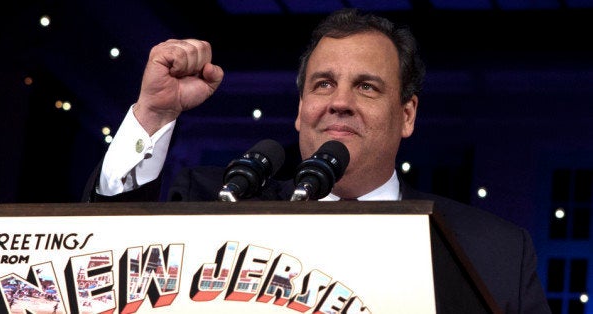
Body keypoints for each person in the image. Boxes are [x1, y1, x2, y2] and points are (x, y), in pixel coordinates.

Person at [83, 8, 551, 313]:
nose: (339, 102)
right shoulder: (217, 202)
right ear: (301, 108)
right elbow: (105, 272)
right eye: (323, 84)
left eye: (366, 86)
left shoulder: (498, 253)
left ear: (407, 114)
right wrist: (154, 114)